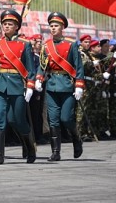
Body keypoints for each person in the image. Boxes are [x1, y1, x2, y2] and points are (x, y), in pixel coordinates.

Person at [0, 10, 36, 164]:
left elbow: (30, 69)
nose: (7, 26)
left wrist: (30, 86)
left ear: (17, 27)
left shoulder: (25, 45)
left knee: (17, 120)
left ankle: (30, 147)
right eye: (5, 24)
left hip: (16, 84)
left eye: (10, 24)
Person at [36, 12, 85, 161]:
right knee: (53, 120)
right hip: (51, 85)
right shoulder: (47, 46)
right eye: (51, 26)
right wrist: (39, 78)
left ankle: (76, 138)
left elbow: (79, 66)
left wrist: (79, 86)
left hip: (67, 84)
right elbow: (42, 65)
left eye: (56, 26)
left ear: (62, 27)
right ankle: (55, 152)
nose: (53, 28)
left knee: (66, 118)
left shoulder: (71, 44)